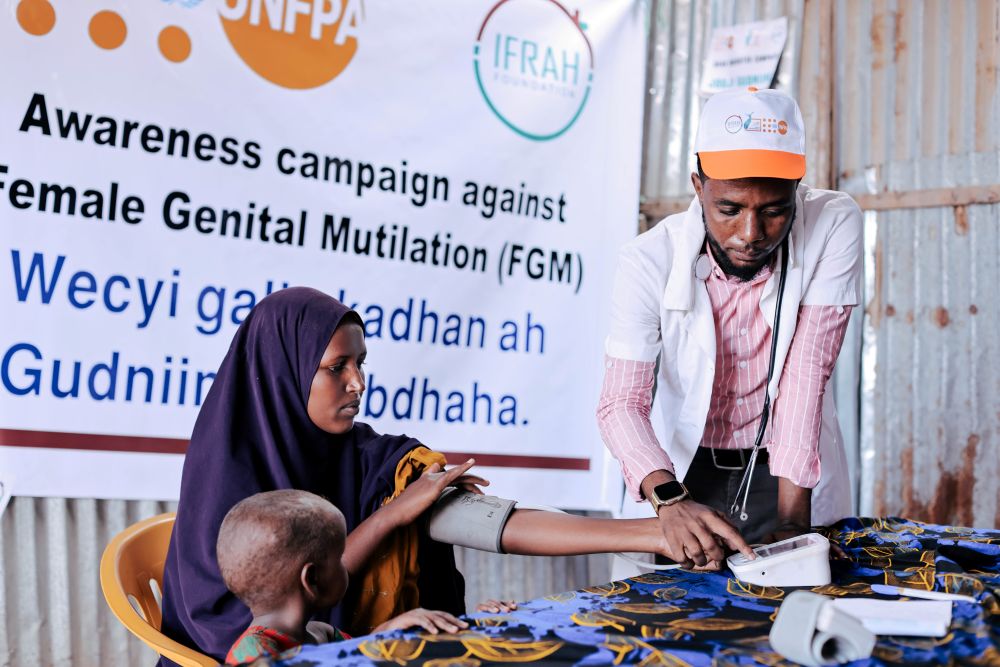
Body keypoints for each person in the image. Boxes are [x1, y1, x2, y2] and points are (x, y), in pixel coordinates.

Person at [160, 287, 745, 664]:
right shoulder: (225, 482)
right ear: (283, 371)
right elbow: (254, 619)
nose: (357, 383)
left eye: (360, 364)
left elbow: (485, 521)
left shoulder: (365, 455)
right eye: (335, 367)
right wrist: (393, 515)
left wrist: (654, 531)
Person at [597, 87, 862, 571]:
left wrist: (793, 523)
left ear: (798, 189)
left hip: (783, 472)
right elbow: (621, 403)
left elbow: (806, 373)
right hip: (681, 468)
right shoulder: (647, 260)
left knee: (789, 607)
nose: (751, 233)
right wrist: (670, 502)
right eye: (730, 209)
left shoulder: (832, 222)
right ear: (699, 186)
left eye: (775, 210)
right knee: (670, 622)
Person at [218, 490, 469, 665]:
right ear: (312, 579)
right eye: (339, 557)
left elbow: (358, 656)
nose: (346, 561)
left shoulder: (319, 633)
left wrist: (388, 631)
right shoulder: (254, 655)